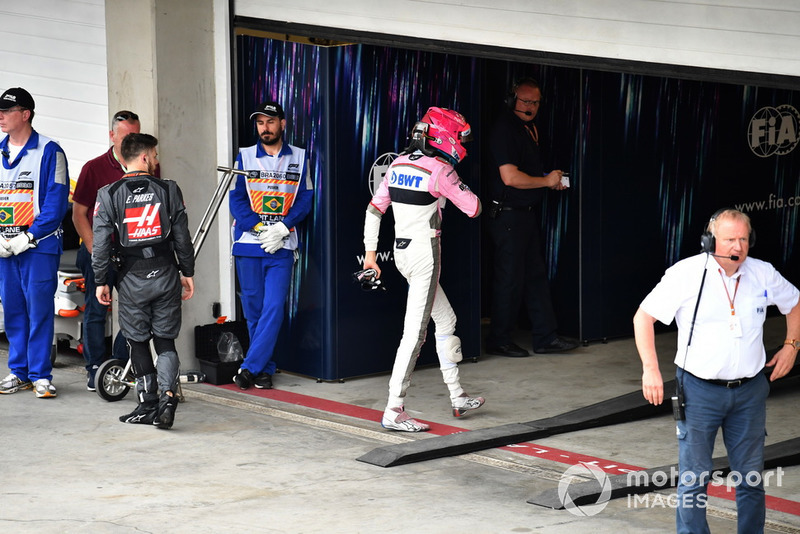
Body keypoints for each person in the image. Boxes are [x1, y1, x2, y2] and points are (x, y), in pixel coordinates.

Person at [633, 208, 800, 533]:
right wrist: (650, 369)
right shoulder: (686, 274)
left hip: (749, 391)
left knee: (751, 478)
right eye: (728, 240)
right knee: (694, 478)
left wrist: (791, 346)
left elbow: (794, 302)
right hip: (698, 391)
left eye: (743, 239)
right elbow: (644, 318)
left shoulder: (762, 273)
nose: (737, 247)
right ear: (710, 241)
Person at [362, 107, 485, 432]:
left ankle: (458, 396)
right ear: (444, 137)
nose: (462, 144)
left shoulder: (398, 164)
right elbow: (473, 209)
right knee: (414, 335)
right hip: (425, 256)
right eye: (460, 138)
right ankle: (394, 409)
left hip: (402, 254)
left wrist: (370, 255)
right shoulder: (440, 170)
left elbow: (375, 210)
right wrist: (456, 185)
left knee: (446, 319)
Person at [92, 133, 195, 429]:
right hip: (165, 274)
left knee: (137, 340)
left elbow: (100, 243)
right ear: (145, 157)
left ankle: (147, 404)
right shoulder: (169, 189)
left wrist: (101, 280)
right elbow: (182, 239)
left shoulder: (108, 193)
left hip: (131, 279)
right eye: (155, 154)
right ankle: (168, 398)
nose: (157, 159)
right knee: (165, 340)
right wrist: (187, 272)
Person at [485, 77, 578, 357]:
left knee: (535, 277)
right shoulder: (505, 130)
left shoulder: (528, 128)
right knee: (510, 279)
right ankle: (499, 339)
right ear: (512, 100)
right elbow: (510, 177)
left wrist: (549, 181)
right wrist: (546, 181)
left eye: (535, 102)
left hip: (523, 215)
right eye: (525, 101)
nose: (531, 106)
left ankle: (545, 336)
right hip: (508, 216)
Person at [229, 101, 313, 390]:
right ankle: (264, 368)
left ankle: (248, 367)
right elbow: (236, 199)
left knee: (274, 307)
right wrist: (257, 226)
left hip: (282, 245)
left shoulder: (301, 158)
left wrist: (282, 226)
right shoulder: (244, 156)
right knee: (253, 312)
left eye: (270, 122)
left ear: (283, 124)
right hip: (248, 245)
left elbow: (305, 199)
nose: (265, 128)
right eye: (260, 123)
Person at [72, 110, 151, 391]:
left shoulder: (148, 166)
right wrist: (95, 247)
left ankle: (116, 365)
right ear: (112, 136)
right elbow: (78, 214)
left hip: (133, 254)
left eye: (136, 135)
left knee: (137, 309)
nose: (133, 141)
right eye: (127, 136)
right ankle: (95, 368)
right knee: (96, 310)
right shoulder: (93, 168)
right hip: (99, 251)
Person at [0, 87, 70, 398]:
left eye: (7, 110)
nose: (0, 116)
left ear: (25, 114)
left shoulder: (50, 151)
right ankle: (19, 372)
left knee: (39, 309)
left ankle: (41, 374)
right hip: (4, 247)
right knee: (13, 309)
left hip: (38, 246)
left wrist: (26, 237)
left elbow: (56, 205)